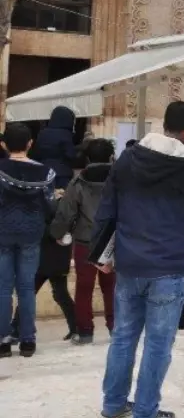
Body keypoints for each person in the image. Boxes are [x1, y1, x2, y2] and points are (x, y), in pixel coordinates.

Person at [95, 101, 184, 418]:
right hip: (168, 263)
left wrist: (102, 256)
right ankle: (145, 413)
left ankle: (112, 405)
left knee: (123, 335)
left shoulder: (128, 158)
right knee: (158, 341)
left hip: (129, 260)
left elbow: (107, 207)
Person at [0, 122, 58, 358]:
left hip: (3, 231)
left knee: (3, 288)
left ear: (3, 144)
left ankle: (3, 341)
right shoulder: (46, 173)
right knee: (26, 287)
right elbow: (50, 205)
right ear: (30, 144)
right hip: (32, 233)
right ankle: (27, 341)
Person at [50, 138, 115, 344]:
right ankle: (116, 328)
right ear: (111, 156)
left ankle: (85, 331)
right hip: (113, 240)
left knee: (84, 286)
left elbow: (66, 212)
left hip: (85, 241)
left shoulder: (78, 182)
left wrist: (57, 233)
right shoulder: (120, 180)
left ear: (87, 158)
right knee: (112, 287)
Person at [30, 105, 77, 188]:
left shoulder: (42, 133)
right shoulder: (66, 134)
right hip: (62, 174)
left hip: (43, 172)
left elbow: (36, 154)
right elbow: (71, 155)